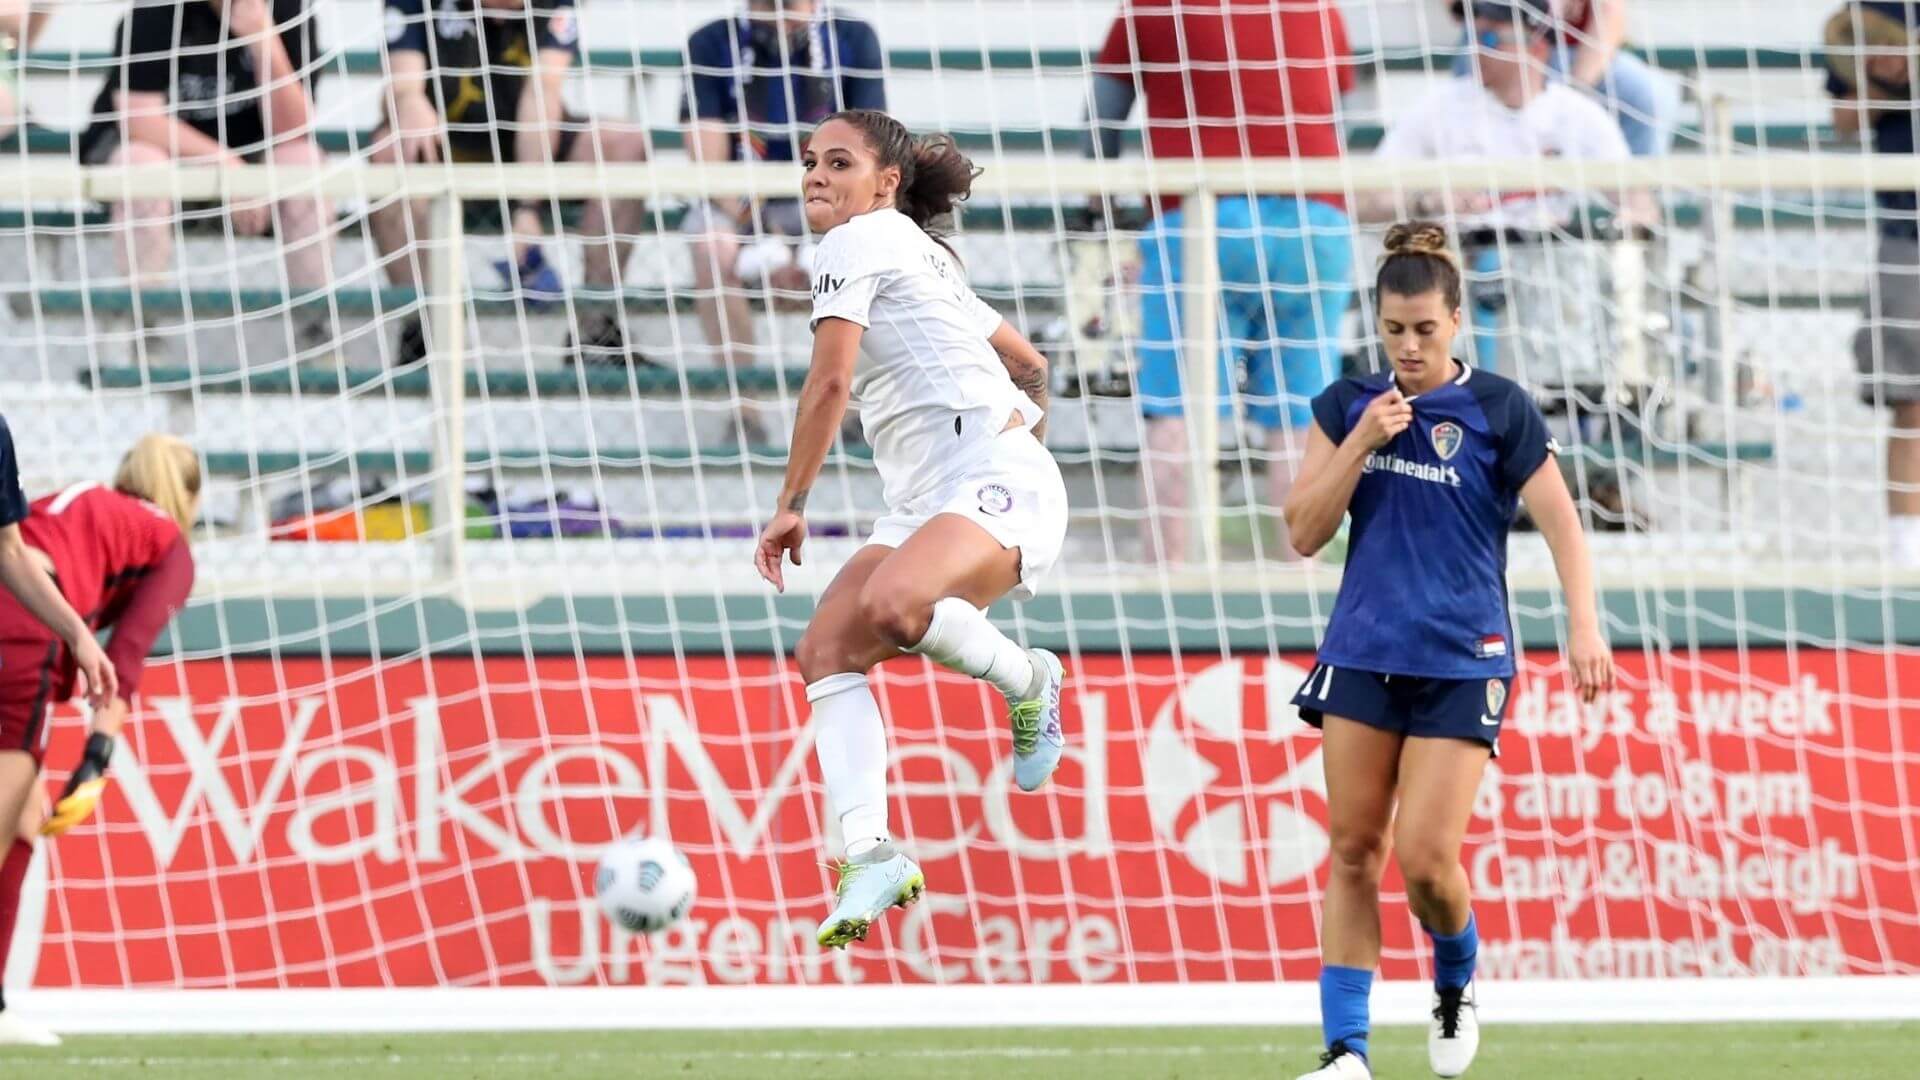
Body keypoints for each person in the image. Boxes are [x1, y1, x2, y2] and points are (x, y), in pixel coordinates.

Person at [1282, 223, 1612, 1080]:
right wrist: (1361, 442)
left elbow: (1562, 522)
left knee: (1428, 862)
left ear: (1456, 322)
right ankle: (1346, 1051)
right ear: (1379, 326)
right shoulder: (1347, 405)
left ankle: (1456, 979)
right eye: (1395, 331)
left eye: (1426, 329)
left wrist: (1584, 626)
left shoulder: (1500, 408)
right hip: (1362, 652)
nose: (1410, 347)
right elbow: (1303, 533)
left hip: (1465, 658)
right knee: (1354, 850)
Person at [754, 109, 1066, 949]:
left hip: (992, 483)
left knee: (895, 603)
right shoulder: (919, 253)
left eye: (839, 162)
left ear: (885, 182)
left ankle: (1029, 681)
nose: (816, 176)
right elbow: (1030, 365)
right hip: (937, 494)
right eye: (810, 161)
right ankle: (870, 853)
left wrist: (792, 502)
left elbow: (829, 384)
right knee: (824, 652)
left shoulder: (856, 243)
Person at [1089, 0, 1358, 564]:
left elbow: (1102, 116)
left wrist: (1102, 206)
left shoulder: (1154, 6)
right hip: (1315, 216)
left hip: (1203, 215)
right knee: (1296, 419)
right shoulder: (1319, 6)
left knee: (1179, 416)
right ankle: (1302, 595)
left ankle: (1167, 590)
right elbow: (1339, 110)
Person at [0, 434, 199, 1047]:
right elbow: (126, 657)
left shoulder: (77, 502)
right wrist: (97, 756)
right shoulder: (169, 547)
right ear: (188, 496)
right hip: (20, 629)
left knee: (24, 821)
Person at [373, 0, 653, 368]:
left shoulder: (551, 6)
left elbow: (543, 92)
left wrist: (527, 206)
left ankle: (594, 328)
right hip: (446, 148)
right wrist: (408, 101)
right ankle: (422, 330)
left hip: (529, 145)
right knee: (388, 150)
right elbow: (402, 85)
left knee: (626, 144)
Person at [1373, 0, 1637, 374]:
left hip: (1551, 294)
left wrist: (1623, 221)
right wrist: (1427, 200)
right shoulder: (1438, 109)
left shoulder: (1578, 117)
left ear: (1537, 44)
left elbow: (1639, 203)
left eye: (1491, 37)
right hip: (1457, 286)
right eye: (1473, 36)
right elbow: (1366, 198)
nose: (1477, 48)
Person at [78, 0, 335, 355]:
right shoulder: (156, 11)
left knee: (303, 160)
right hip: (168, 156)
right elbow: (140, 121)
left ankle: (316, 331)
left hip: (250, 163)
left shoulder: (288, 11)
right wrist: (224, 164)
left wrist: (263, 39)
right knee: (143, 164)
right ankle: (145, 328)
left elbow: (295, 129)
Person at [683, 0, 885, 443]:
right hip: (741, 201)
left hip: (831, 201)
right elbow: (706, 159)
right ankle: (745, 408)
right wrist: (761, 232)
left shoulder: (851, 39)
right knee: (708, 240)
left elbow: (869, 159)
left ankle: (854, 409)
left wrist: (823, 234)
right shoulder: (712, 41)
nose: (776, 12)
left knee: (881, 239)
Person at [1826, 2, 1920, 564]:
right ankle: (1907, 551)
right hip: (1906, 233)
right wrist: (1886, 76)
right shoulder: (1861, 18)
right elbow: (1843, 120)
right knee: (1912, 402)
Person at [1451, 1, 1679, 156]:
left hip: (1579, 53)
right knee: (1471, 93)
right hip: (1502, 38)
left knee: (1650, 95)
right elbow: (1457, 9)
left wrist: (1574, 94)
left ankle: (1636, 212)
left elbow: (1610, 15)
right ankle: (1482, 200)